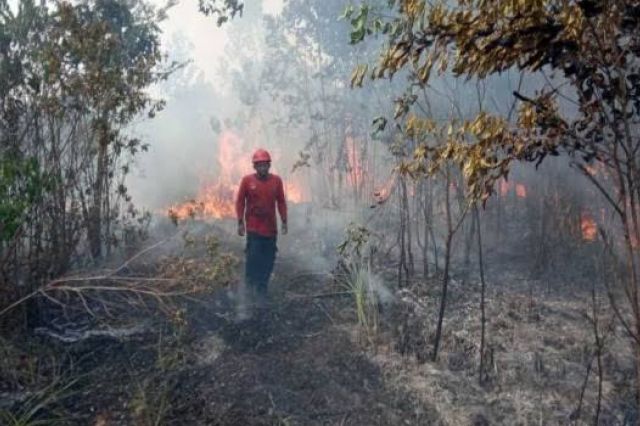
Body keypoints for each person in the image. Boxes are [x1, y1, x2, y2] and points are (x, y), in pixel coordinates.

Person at [235, 149, 288, 310]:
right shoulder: (247, 181)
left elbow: (281, 202)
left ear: (269, 165)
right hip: (254, 229)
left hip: (271, 230)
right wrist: (240, 222)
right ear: (255, 166)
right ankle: (249, 291)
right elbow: (240, 202)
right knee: (253, 259)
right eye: (259, 165)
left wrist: (284, 221)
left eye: (265, 165)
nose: (263, 168)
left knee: (269, 260)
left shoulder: (276, 181)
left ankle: (262, 288)